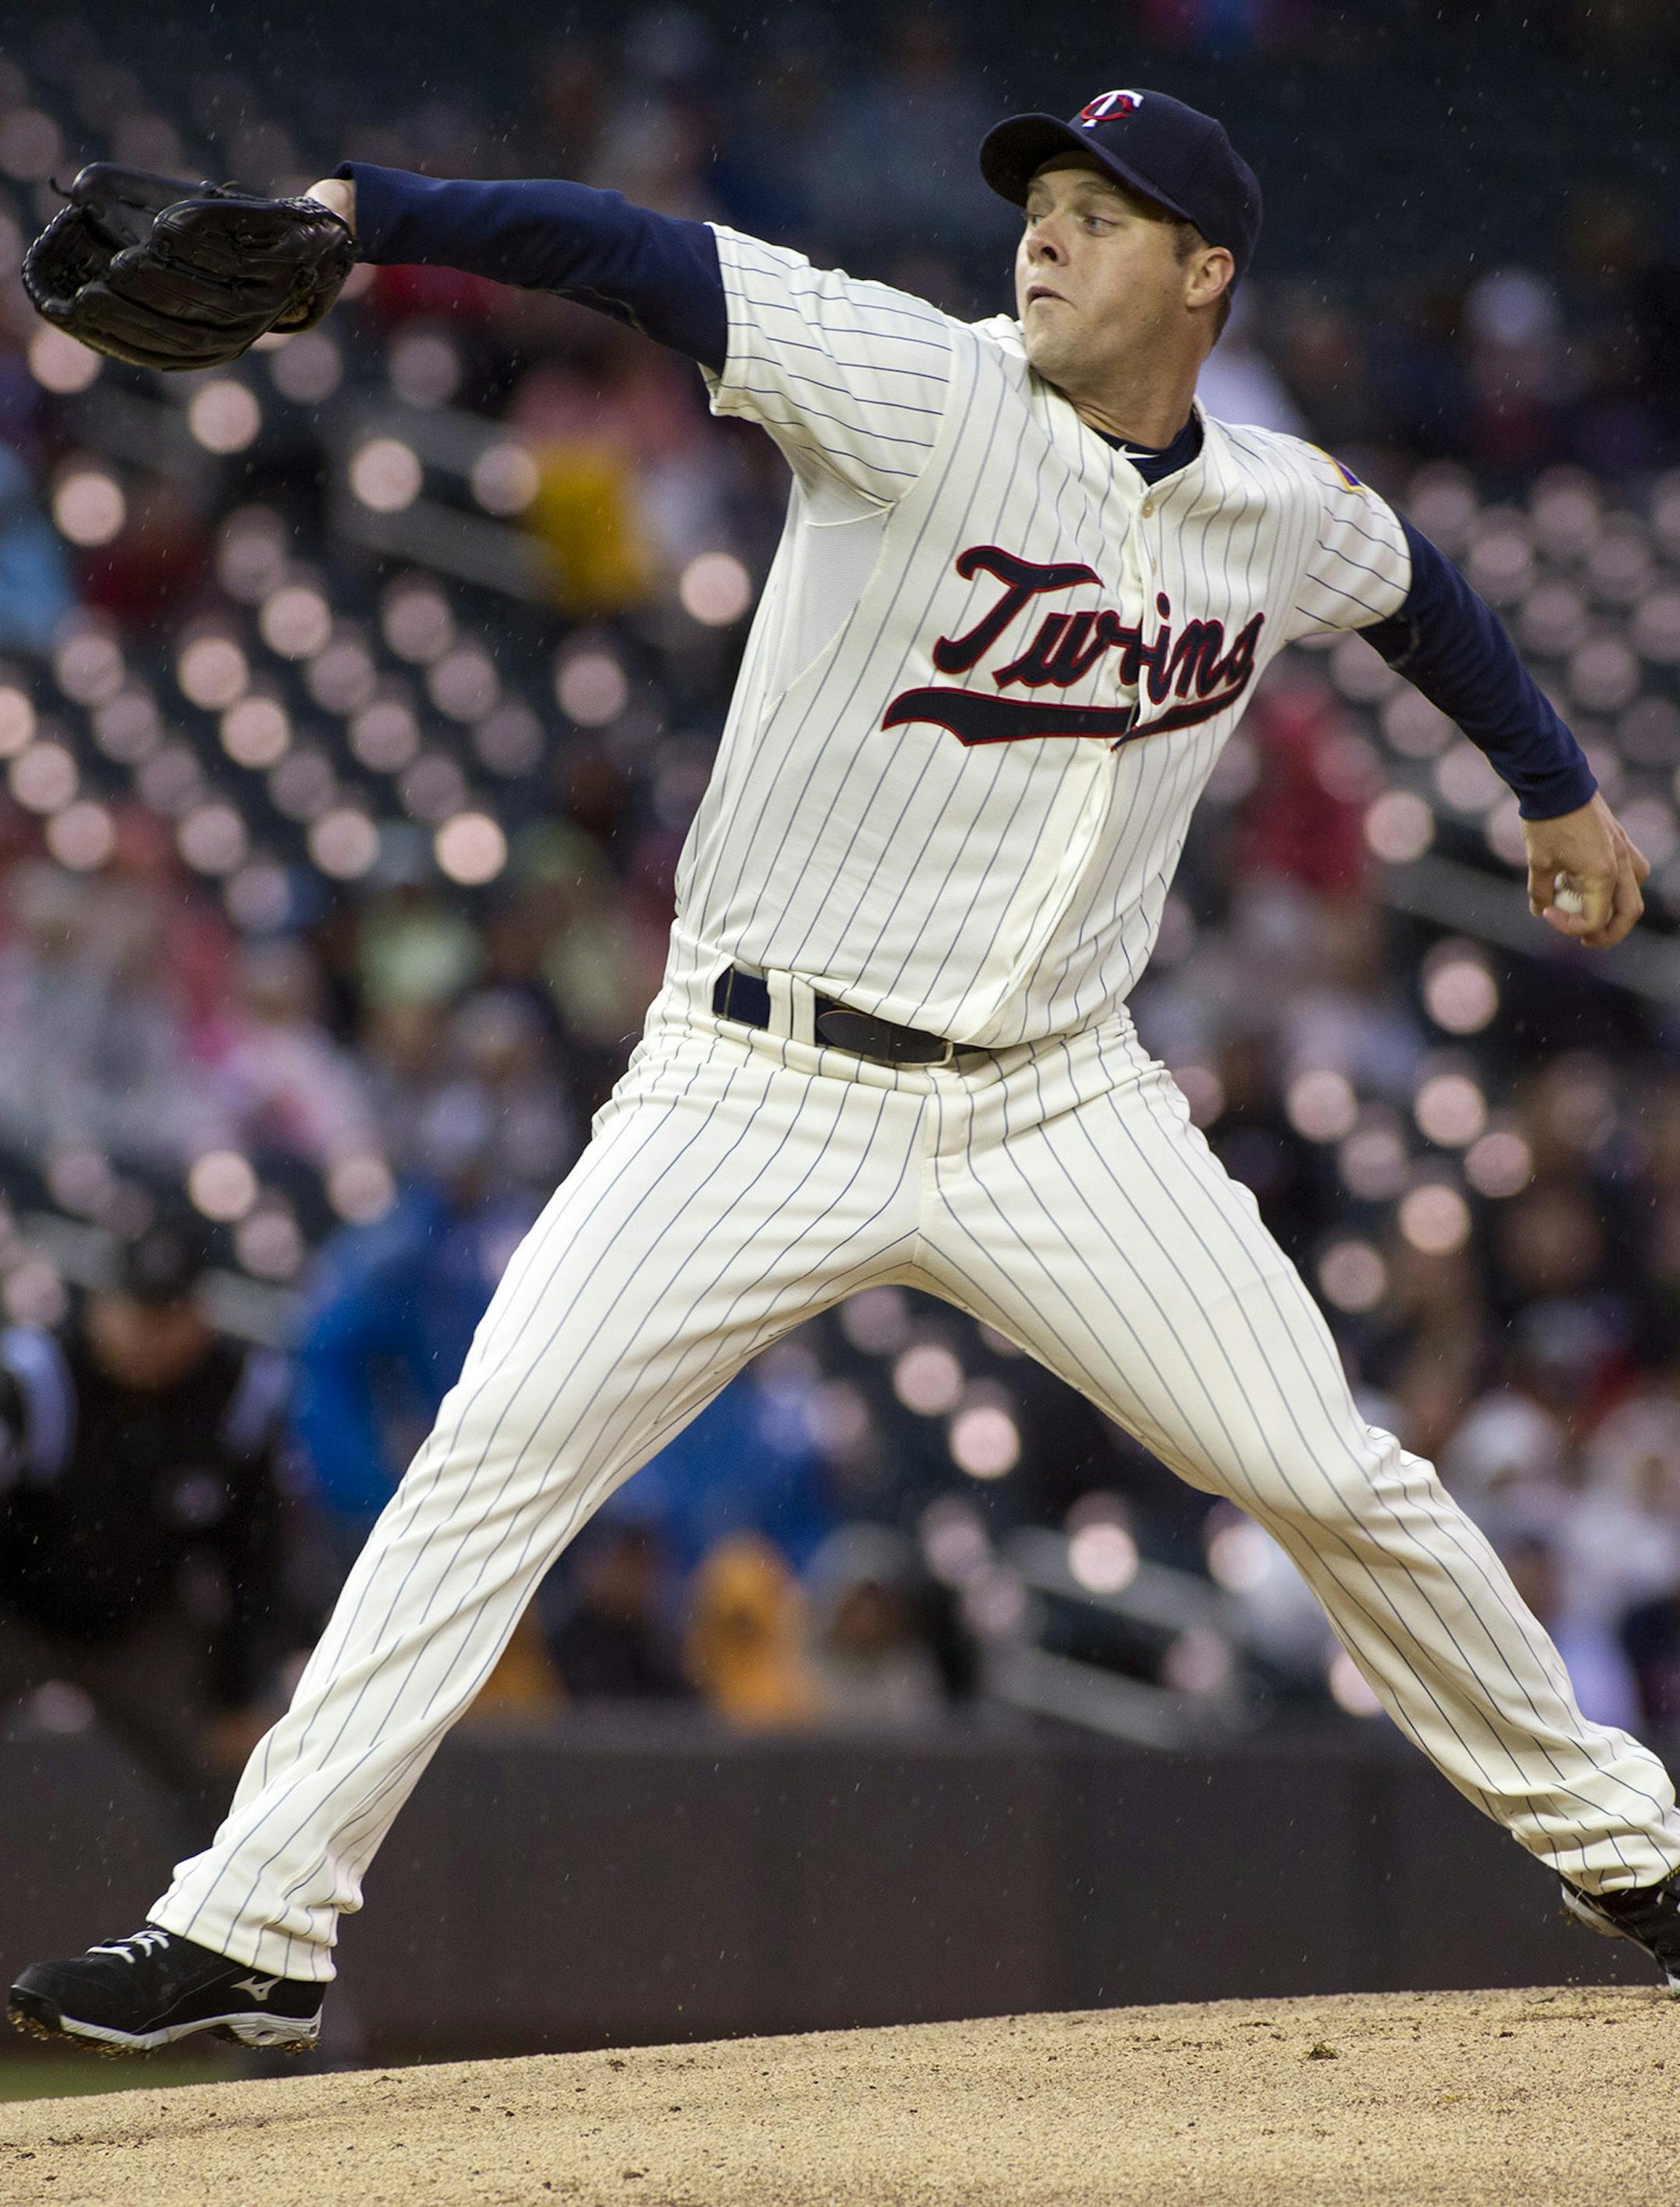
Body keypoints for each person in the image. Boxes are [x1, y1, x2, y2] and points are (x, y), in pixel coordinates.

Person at [14, 85, 1680, 2060]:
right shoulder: (914, 384)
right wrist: (355, 211)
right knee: (497, 1456)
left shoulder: (1268, 509)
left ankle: (1624, 1847)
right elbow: (627, 253)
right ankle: (253, 1924)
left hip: (1062, 1103)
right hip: (755, 1081)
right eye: (1037, 202)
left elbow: (1419, 589)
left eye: (1096, 214)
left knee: (1328, 1472)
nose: (1042, 237)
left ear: (1203, 274)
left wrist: (1555, 789)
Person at [0, 1213, 292, 1841]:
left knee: (240, 1782)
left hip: (142, 1621)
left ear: (201, 1316)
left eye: (169, 1314)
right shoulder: (36, 1376)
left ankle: (226, 1931)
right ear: (103, 1302)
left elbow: (256, 1555)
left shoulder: (237, 1392)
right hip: (17, 1607)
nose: (147, 1334)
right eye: (134, 1309)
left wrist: (239, 1691)